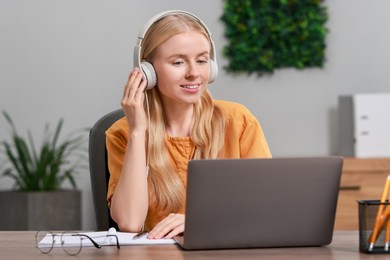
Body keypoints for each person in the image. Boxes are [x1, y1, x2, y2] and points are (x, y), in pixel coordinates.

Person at [105, 10, 272, 240]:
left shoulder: (239, 122)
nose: (194, 73)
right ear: (148, 71)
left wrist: (199, 222)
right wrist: (137, 132)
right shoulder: (122, 134)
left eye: (202, 60)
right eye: (178, 62)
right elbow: (130, 222)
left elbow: (267, 209)